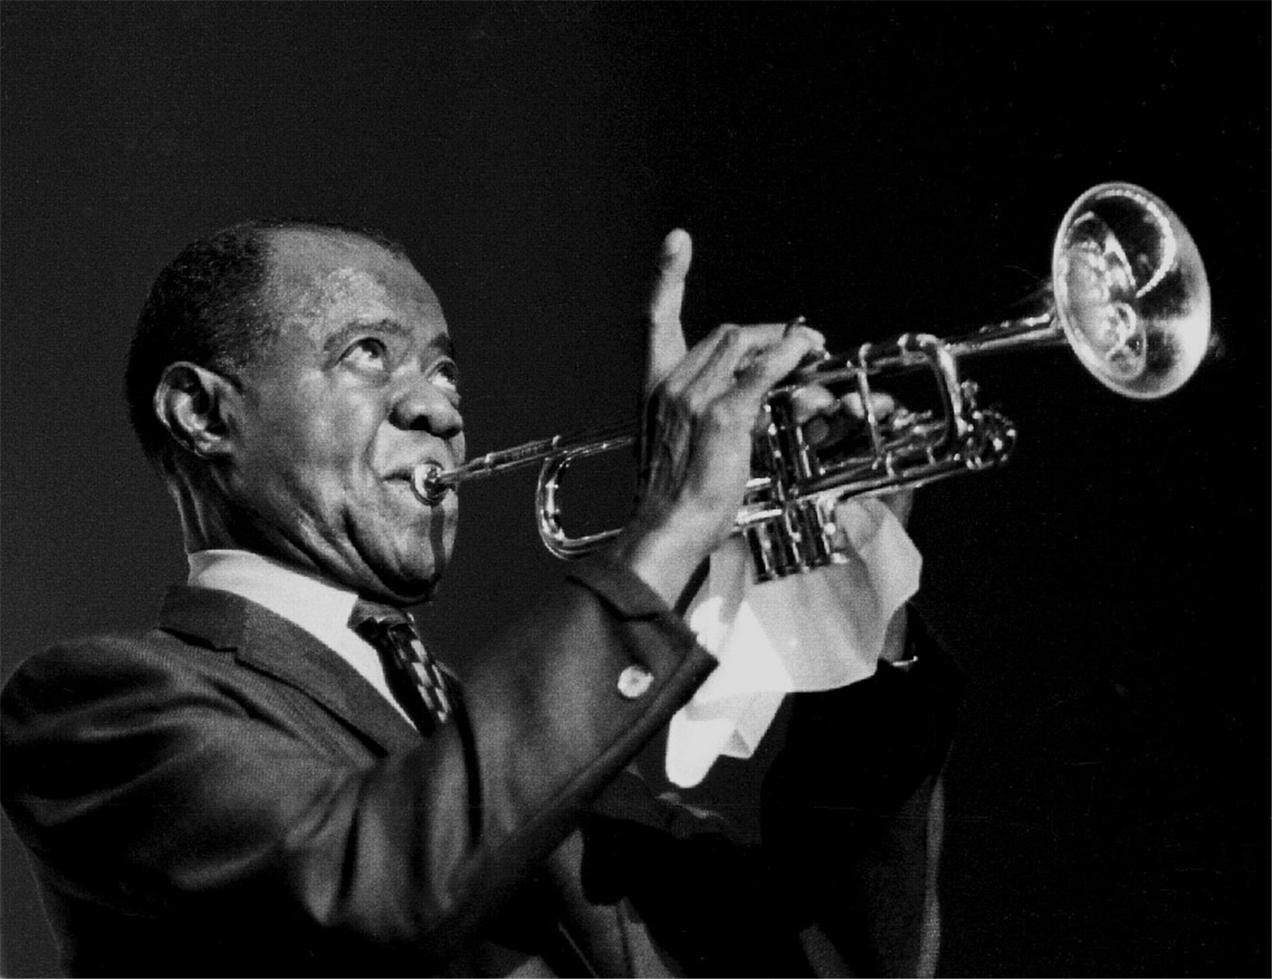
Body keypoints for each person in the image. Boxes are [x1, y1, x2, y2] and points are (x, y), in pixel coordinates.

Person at [1, 219, 961, 977]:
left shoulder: (500, 730)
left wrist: (844, 594)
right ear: (203, 411)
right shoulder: (96, 704)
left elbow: (830, 960)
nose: (441, 409)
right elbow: (370, 884)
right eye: (370, 352)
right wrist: (665, 536)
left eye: (446, 368)